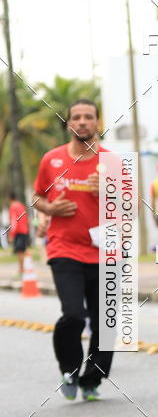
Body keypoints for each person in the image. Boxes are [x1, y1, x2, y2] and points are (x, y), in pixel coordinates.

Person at [32, 99, 114, 401]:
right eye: (76, 117)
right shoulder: (51, 159)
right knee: (74, 315)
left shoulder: (113, 163)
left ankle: (92, 379)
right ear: (68, 124)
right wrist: (51, 207)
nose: (82, 122)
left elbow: (130, 211)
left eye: (88, 117)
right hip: (64, 248)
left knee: (105, 322)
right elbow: (38, 196)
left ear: (97, 123)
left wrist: (108, 191)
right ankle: (69, 368)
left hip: (104, 251)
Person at [8, 190, 31, 277]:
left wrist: (11, 234)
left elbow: (14, 221)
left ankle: (21, 270)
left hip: (18, 231)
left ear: (9, 198)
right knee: (22, 251)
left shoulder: (13, 206)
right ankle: (24, 269)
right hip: (24, 230)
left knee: (19, 251)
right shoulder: (21, 205)